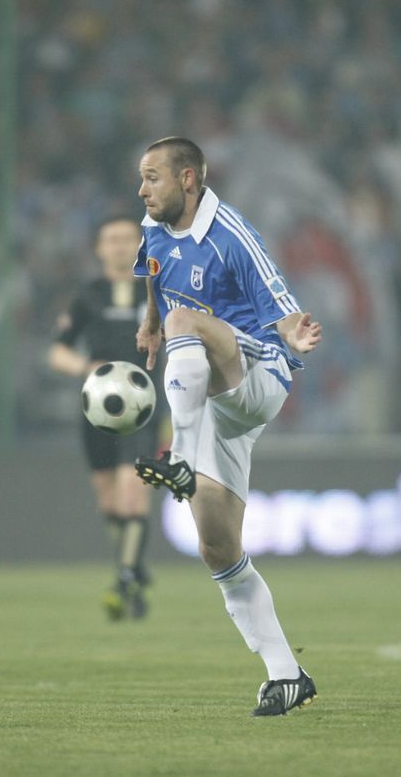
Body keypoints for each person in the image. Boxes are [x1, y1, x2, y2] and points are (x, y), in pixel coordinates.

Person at [132, 137, 323, 716]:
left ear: (188, 179)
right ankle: (286, 675)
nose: (142, 190)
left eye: (153, 178)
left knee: (187, 321)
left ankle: (179, 457)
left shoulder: (232, 234)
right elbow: (154, 273)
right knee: (217, 547)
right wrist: (150, 323)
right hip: (213, 402)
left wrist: (292, 333)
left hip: (258, 374)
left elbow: (277, 298)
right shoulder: (154, 226)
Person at [48, 216, 159, 621]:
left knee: (133, 492)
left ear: (140, 244)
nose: (119, 245)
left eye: (127, 238)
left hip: (144, 407)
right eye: (111, 239)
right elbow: (57, 351)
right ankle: (133, 569)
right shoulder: (88, 295)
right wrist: (84, 366)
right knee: (108, 499)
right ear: (99, 249)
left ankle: (124, 579)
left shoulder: (157, 289)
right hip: (97, 408)